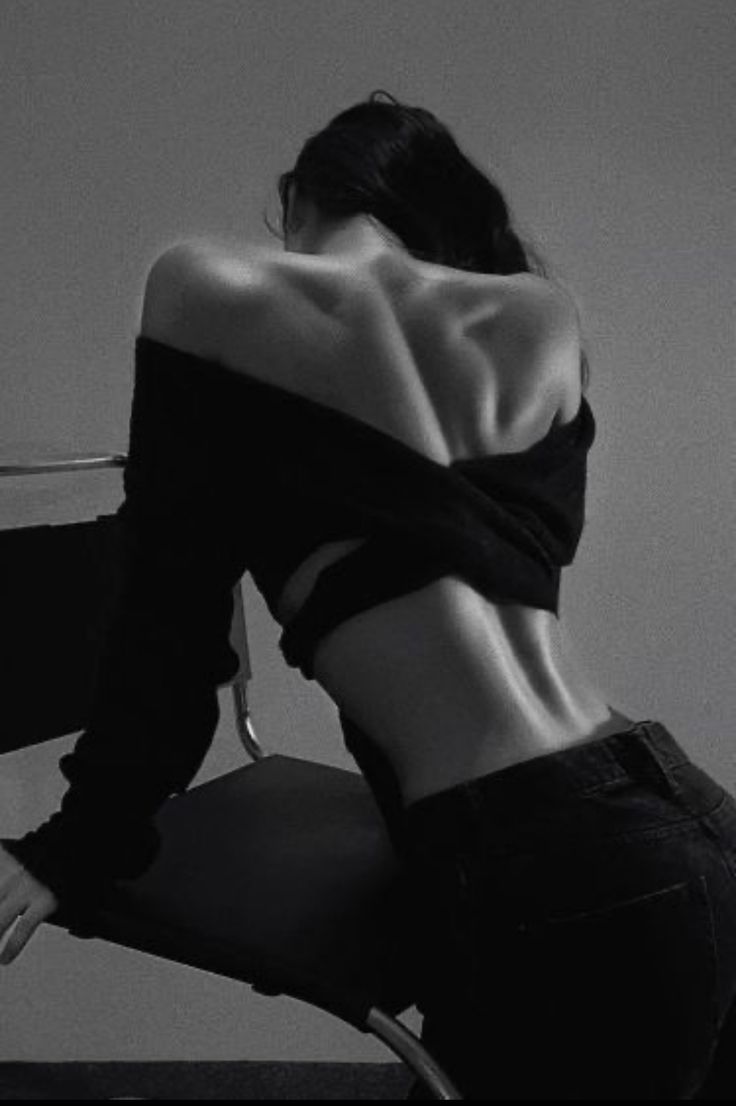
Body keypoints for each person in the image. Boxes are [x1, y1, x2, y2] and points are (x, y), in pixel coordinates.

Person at [2, 90, 736, 1099]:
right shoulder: (538, 316)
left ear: (301, 199)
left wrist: (75, 849)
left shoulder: (203, 285)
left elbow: (165, 631)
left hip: (537, 875)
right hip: (674, 815)